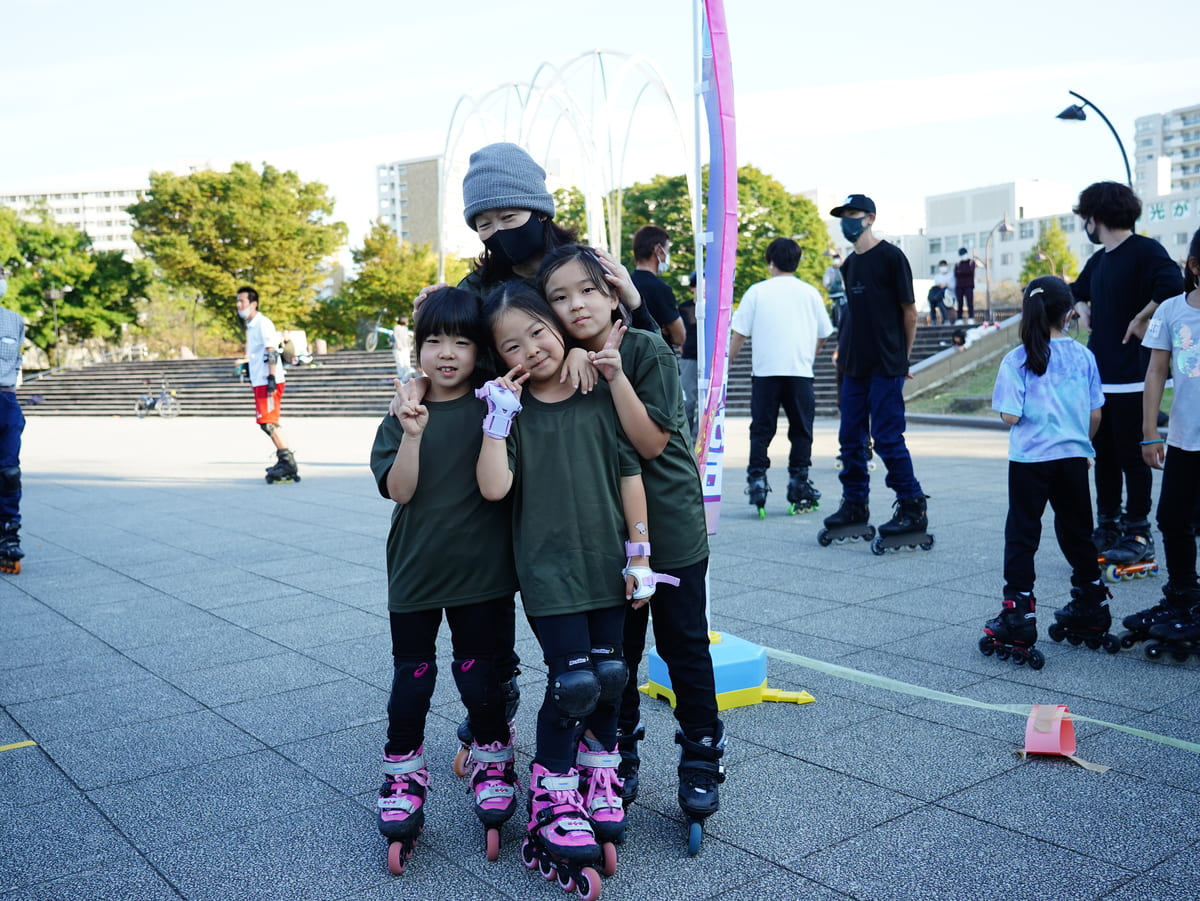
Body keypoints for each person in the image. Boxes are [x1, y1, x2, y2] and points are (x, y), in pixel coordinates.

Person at [538, 244, 724, 839]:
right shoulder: (558, 363)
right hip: (604, 534)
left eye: (587, 291)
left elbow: (648, 443)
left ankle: (701, 755)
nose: (576, 305)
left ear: (614, 294)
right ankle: (616, 751)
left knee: (684, 646)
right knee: (616, 655)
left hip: (669, 528)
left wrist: (612, 373)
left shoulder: (646, 350)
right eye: (559, 297)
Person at [477, 283, 657, 886]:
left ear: (557, 327)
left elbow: (631, 478)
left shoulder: (597, 392)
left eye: (538, 331)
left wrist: (640, 556)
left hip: (608, 567)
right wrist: (497, 421)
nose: (531, 348)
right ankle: (552, 791)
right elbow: (494, 488)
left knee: (612, 677)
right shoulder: (512, 411)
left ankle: (598, 771)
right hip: (549, 573)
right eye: (513, 345)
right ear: (501, 358)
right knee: (574, 682)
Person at [367, 287, 520, 874]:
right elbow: (399, 491)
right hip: (417, 571)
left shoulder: (493, 403)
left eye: (460, 341)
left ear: (479, 349)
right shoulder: (403, 410)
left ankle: (493, 759)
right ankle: (403, 771)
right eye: (434, 340)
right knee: (413, 677)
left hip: (482, 573)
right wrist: (411, 432)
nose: (447, 353)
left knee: (480, 675)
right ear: (418, 347)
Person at [980, 277, 1109, 668]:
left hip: (1030, 460)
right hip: (1072, 458)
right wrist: (1081, 445)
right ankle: (1092, 603)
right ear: (1069, 314)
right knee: (1078, 532)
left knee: (1023, 534)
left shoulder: (1017, 359)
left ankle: (1018, 613)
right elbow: (1095, 414)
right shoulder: (1084, 356)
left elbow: (1010, 416)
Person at [1070, 181, 1183, 568]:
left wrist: (1142, 316)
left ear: (1095, 217)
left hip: (1134, 374)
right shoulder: (1099, 261)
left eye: (1085, 218)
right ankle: (1108, 524)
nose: (1085, 225)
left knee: (1134, 457)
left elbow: (1173, 283)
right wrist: (1082, 306)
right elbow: (1075, 289)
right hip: (1100, 375)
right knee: (1103, 455)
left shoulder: (1145, 250)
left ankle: (1138, 532)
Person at [824, 194, 929, 541]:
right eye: (843, 215)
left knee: (886, 436)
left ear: (870, 218)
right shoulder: (848, 265)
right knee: (850, 437)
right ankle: (855, 503)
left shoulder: (892, 257)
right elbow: (855, 315)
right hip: (855, 364)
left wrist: (902, 358)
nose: (847, 220)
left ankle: (912, 506)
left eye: (853, 213)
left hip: (886, 363)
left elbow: (909, 313)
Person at [1130, 227, 1200, 645]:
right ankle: (1182, 596)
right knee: (1172, 519)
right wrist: (1149, 432)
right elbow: (1156, 371)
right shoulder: (1172, 310)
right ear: (1195, 266)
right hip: (1184, 439)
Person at [729, 237, 833, 515]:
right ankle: (799, 482)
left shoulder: (757, 292)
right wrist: (811, 352)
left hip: (765, 374)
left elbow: (739, 334)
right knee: (801, 430)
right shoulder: (810, 293)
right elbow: (824, 333)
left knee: (761, 429)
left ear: (771, 261)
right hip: (800, 373)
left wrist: (728, 363)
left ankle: (757, 481)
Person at [235, 287, 299, 483]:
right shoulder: (251, 325)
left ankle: (288, 462)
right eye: (237, 301)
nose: (239, 305)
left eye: (242, 301)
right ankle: (284, 459)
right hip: (259, 380)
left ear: (253, 304)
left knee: (269, 422)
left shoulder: (263, 323)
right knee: (267, 422)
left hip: (268, 380)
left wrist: (271, 378)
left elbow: (272, 351)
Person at [0, 268, 24, 573]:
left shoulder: (15, 320)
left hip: (5, 400)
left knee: (8, 472)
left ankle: (8, 536)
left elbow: (16, 360)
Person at [629, 225, 684, 346]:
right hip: (658, 353)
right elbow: (680, 337)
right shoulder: (661, 289)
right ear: (658, 249)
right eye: (667, 250)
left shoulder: (626, 284)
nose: (667, 255)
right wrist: (667, 329)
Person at [677, 273, 699, 442]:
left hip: (711, 359)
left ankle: (700, 438)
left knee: (708, 402)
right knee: (688, 401)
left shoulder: (715, 309)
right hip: (689, 357)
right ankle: (687, 439)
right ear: (692, 287)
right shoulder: (684, 308)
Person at [953, 247, 980, 324]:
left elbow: (970, 272)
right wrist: (964, 272)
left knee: (970, 303)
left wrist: (961, 272)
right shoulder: (958, 264)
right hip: (959, 287)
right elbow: (956, 274)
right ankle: (959, 319)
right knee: (960, 303)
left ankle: (971, 318)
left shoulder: (971, 262)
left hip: (969, 286)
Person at [823, 252, 847, 329]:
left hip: (842, 293)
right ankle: (836, 324)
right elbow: (826, 281)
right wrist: (827, 284)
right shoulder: (830, 270)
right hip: (833, 293)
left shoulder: (842, 268)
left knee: (843, 308)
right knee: (835, 309)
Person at [928, 260, 952, 325]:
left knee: (940, 302)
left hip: (948, 297)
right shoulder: (937, 276)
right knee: (933, 303)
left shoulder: (951, 275)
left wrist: (945, 285)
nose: (943, 267)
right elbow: (936, 285)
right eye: (941, 266)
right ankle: (933, 320)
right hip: (938, 296)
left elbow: (952, 286)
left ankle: (946, 320)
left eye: (944, 265)